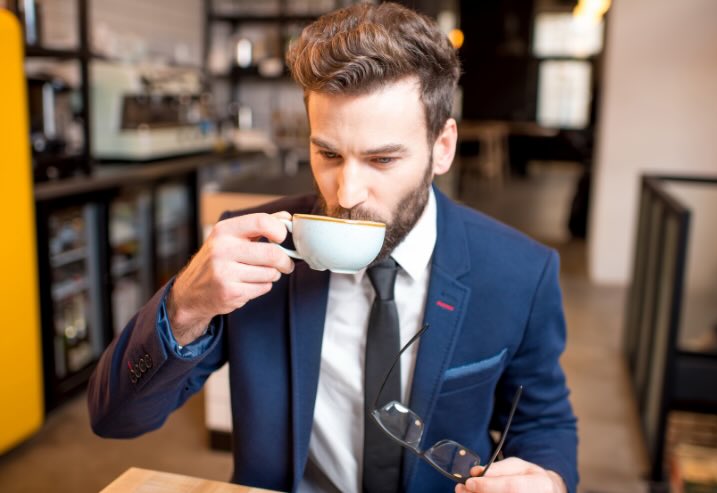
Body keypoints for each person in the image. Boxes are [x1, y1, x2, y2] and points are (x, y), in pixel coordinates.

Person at [87, 3, 578, 493]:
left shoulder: (520, 271)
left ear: (442, 147)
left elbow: (543, 423)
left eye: (382, 159)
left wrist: (549, 482)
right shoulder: (255, 247)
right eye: (327, 154)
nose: (345, 195)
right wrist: (184, 305)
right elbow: (116, 419)